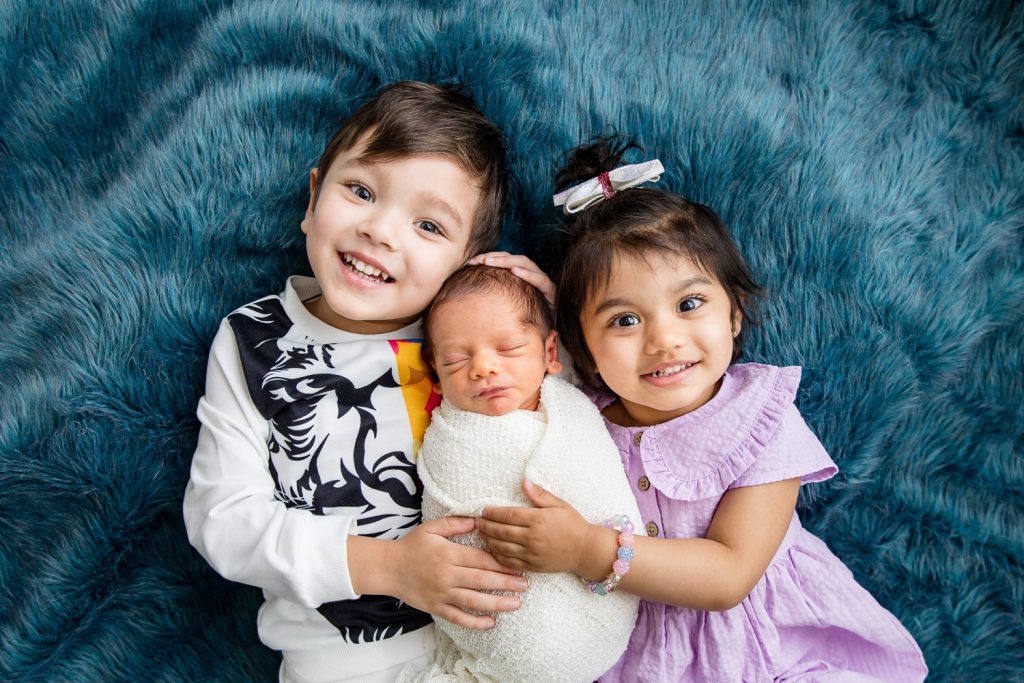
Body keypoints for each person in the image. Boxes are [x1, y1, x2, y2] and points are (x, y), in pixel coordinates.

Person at [477, 137, 930, 682]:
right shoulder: (580, 419)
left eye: (689, 304)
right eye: (624, 320)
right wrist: (533, 312)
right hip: (638, 659)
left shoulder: (760, 417)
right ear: (584, 349)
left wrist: (586, 550)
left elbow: (729, 575)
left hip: (771, 650)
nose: (664, 339)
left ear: (734, 315)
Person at [183, 81, 539, 683]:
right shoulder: (254, 341)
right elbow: (222, 519)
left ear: (466, 265)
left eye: (429, 226)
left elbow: (572, 426)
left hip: (502, 643)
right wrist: (392, 568)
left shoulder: (470, 340)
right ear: (313, 196)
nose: (381, 231)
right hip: (346, 665)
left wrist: (541, 328)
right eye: (362, 191)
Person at [403, 265, 641, 683]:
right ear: (436, 374)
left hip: (599, 608)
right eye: (456, 360)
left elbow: (588, 355)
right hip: (508, 625)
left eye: (509, 348)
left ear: (550, 354)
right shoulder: (452, 435)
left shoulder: (572, 403)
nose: (483, 367)